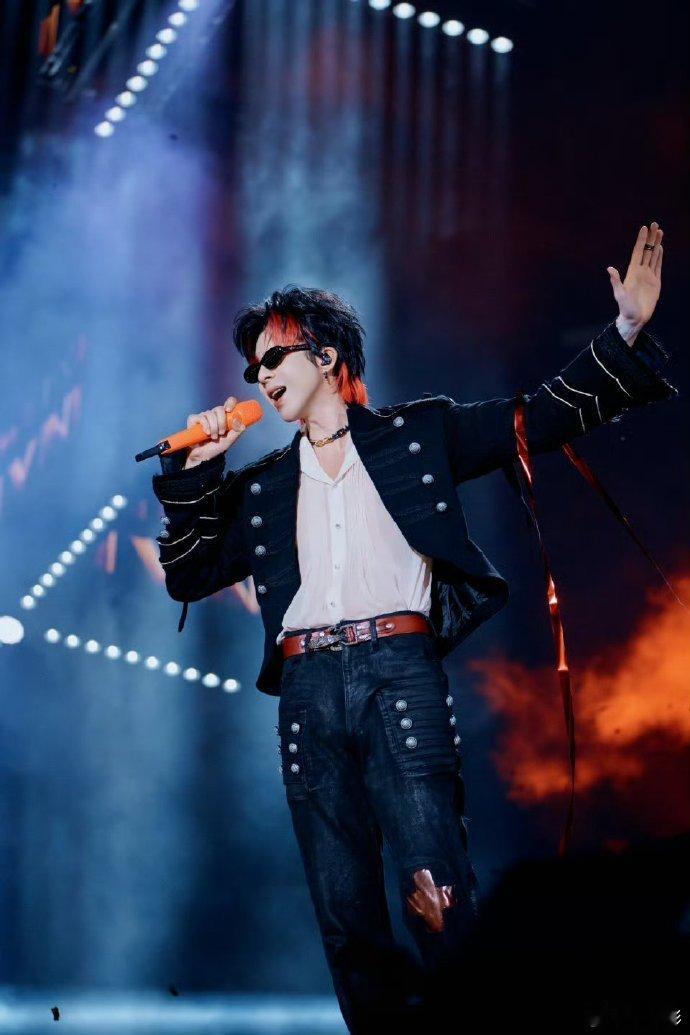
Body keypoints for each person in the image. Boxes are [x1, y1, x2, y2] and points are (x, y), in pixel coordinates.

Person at [150, 224, 676, 1032]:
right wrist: (196, 474)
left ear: (326, 356)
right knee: (345, 912)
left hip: (399, 676)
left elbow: (536, 417)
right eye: (253, 368)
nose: (261, 377)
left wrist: (626, 330)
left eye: (274, 357)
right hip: (307, 693)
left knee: (438, 890)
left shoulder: (417, 434)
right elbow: (188, 573)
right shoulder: (263, 488)